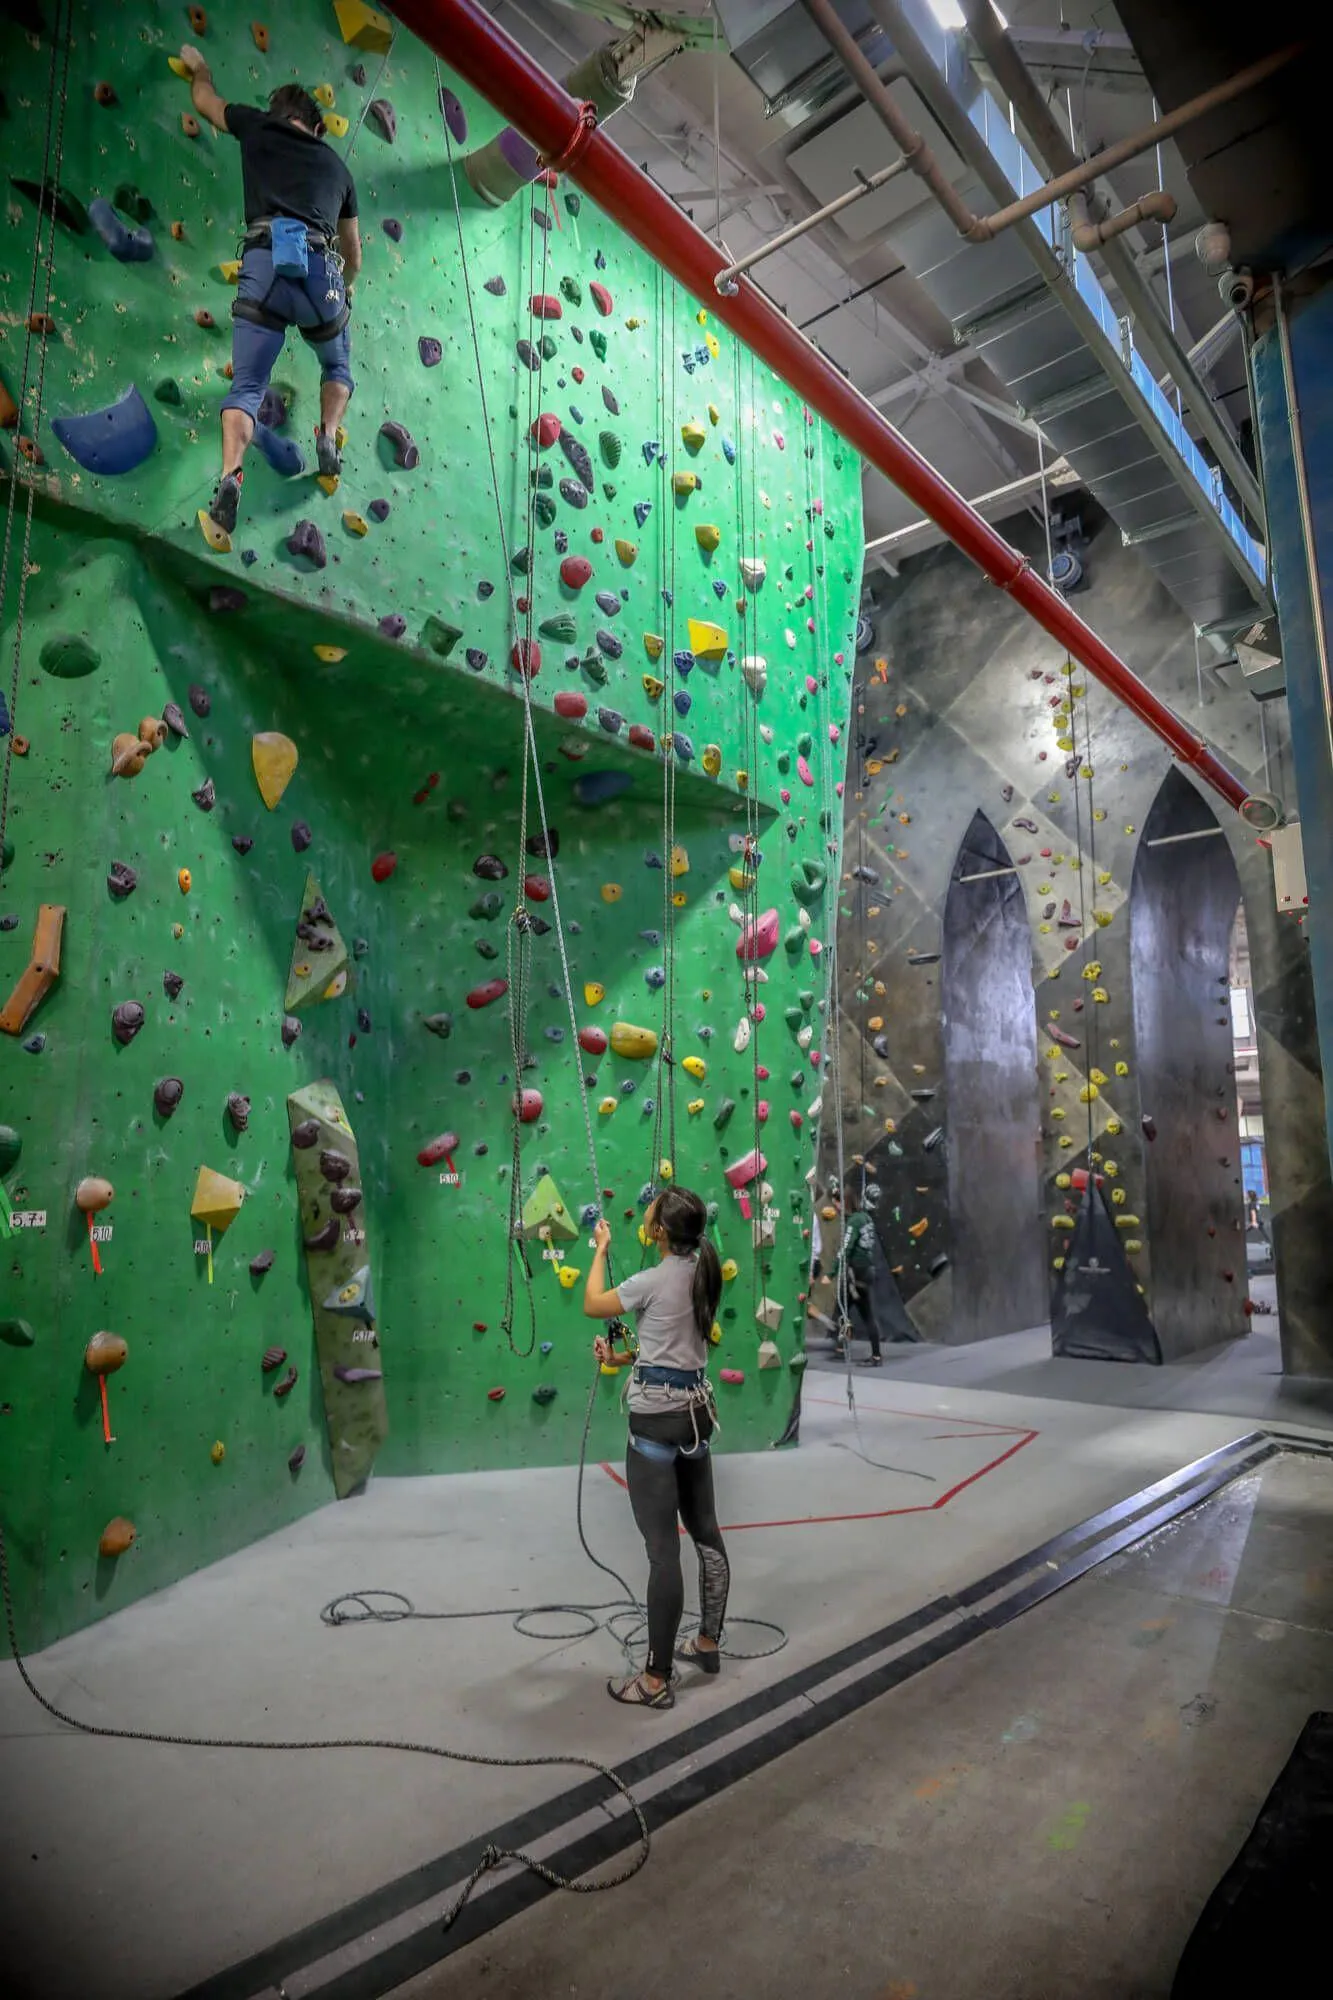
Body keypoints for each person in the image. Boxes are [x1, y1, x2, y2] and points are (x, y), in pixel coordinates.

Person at [177, 45, 363, 540]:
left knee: (246, 389)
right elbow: (355, 256)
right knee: (337, 366)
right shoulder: (339, 171)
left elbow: (204, 100)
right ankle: (327, 436)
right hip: (321, 272)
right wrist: (341, 298)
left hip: (264, 262)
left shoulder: (255, 125)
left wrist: (201, 65)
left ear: (279, 115)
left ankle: (231, 480)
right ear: (318, 128)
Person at [583, 1189, 730, 1711]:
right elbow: (672, 1347)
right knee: (706, 1531)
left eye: (651, 1218)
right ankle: (708, 1643)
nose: (645, 1221)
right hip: (696, 1417)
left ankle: (655, 1680)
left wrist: (601, 1248)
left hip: (656, 1425)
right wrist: (624, 1357)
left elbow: (592, 1303)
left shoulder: (652, 1279)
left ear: (661, 1232)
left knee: (662, 1552)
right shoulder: (703, 1270)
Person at [832, 1177, 884, 1365]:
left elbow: (846, 1248)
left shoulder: (855, 1220)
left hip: (858, 1274)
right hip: (866, 1272)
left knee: (850, 1310)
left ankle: (847, 1347)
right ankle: (841, 1346)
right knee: (843, 1308)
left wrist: (831, 1272)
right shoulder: (866, 1219)